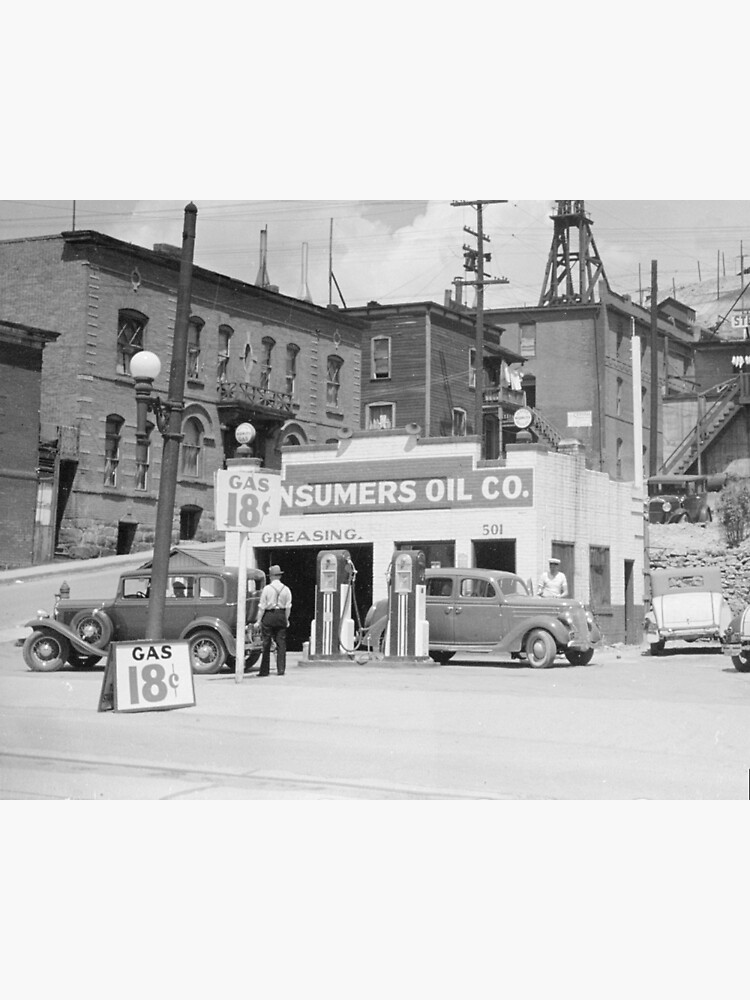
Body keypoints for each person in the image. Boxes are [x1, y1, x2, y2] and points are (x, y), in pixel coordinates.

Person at [254, 564, 292, 676]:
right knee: (281, 643)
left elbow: (262, 606)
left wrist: (258, 620)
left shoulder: (267, 589)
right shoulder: (286, 589)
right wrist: (286, 619)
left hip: (269, 616)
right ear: (279, 576)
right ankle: (281, 669)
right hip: (281, 615)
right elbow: (288, 607)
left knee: (266, 643)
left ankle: (264, 671)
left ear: (271, 576)